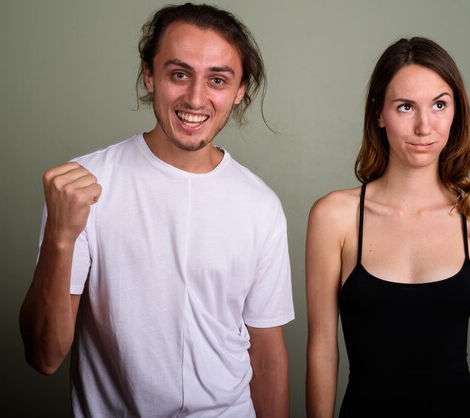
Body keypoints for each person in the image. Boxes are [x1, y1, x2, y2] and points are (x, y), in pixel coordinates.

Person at [19, 3, 294, 417]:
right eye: (179, 74)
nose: (196, 98)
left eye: (217, 79)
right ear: (149, 75)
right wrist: (61, 236)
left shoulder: (261, 206)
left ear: (239, 92)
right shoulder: (84, 186)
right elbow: (45, 356)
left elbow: (267, 356)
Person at [305, 37, 470, 417]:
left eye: (439, 104)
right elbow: (323, 353)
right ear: (379, 113)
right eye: (406, 107)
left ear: (456, 112)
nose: (425, 126)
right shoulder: (333, 217)